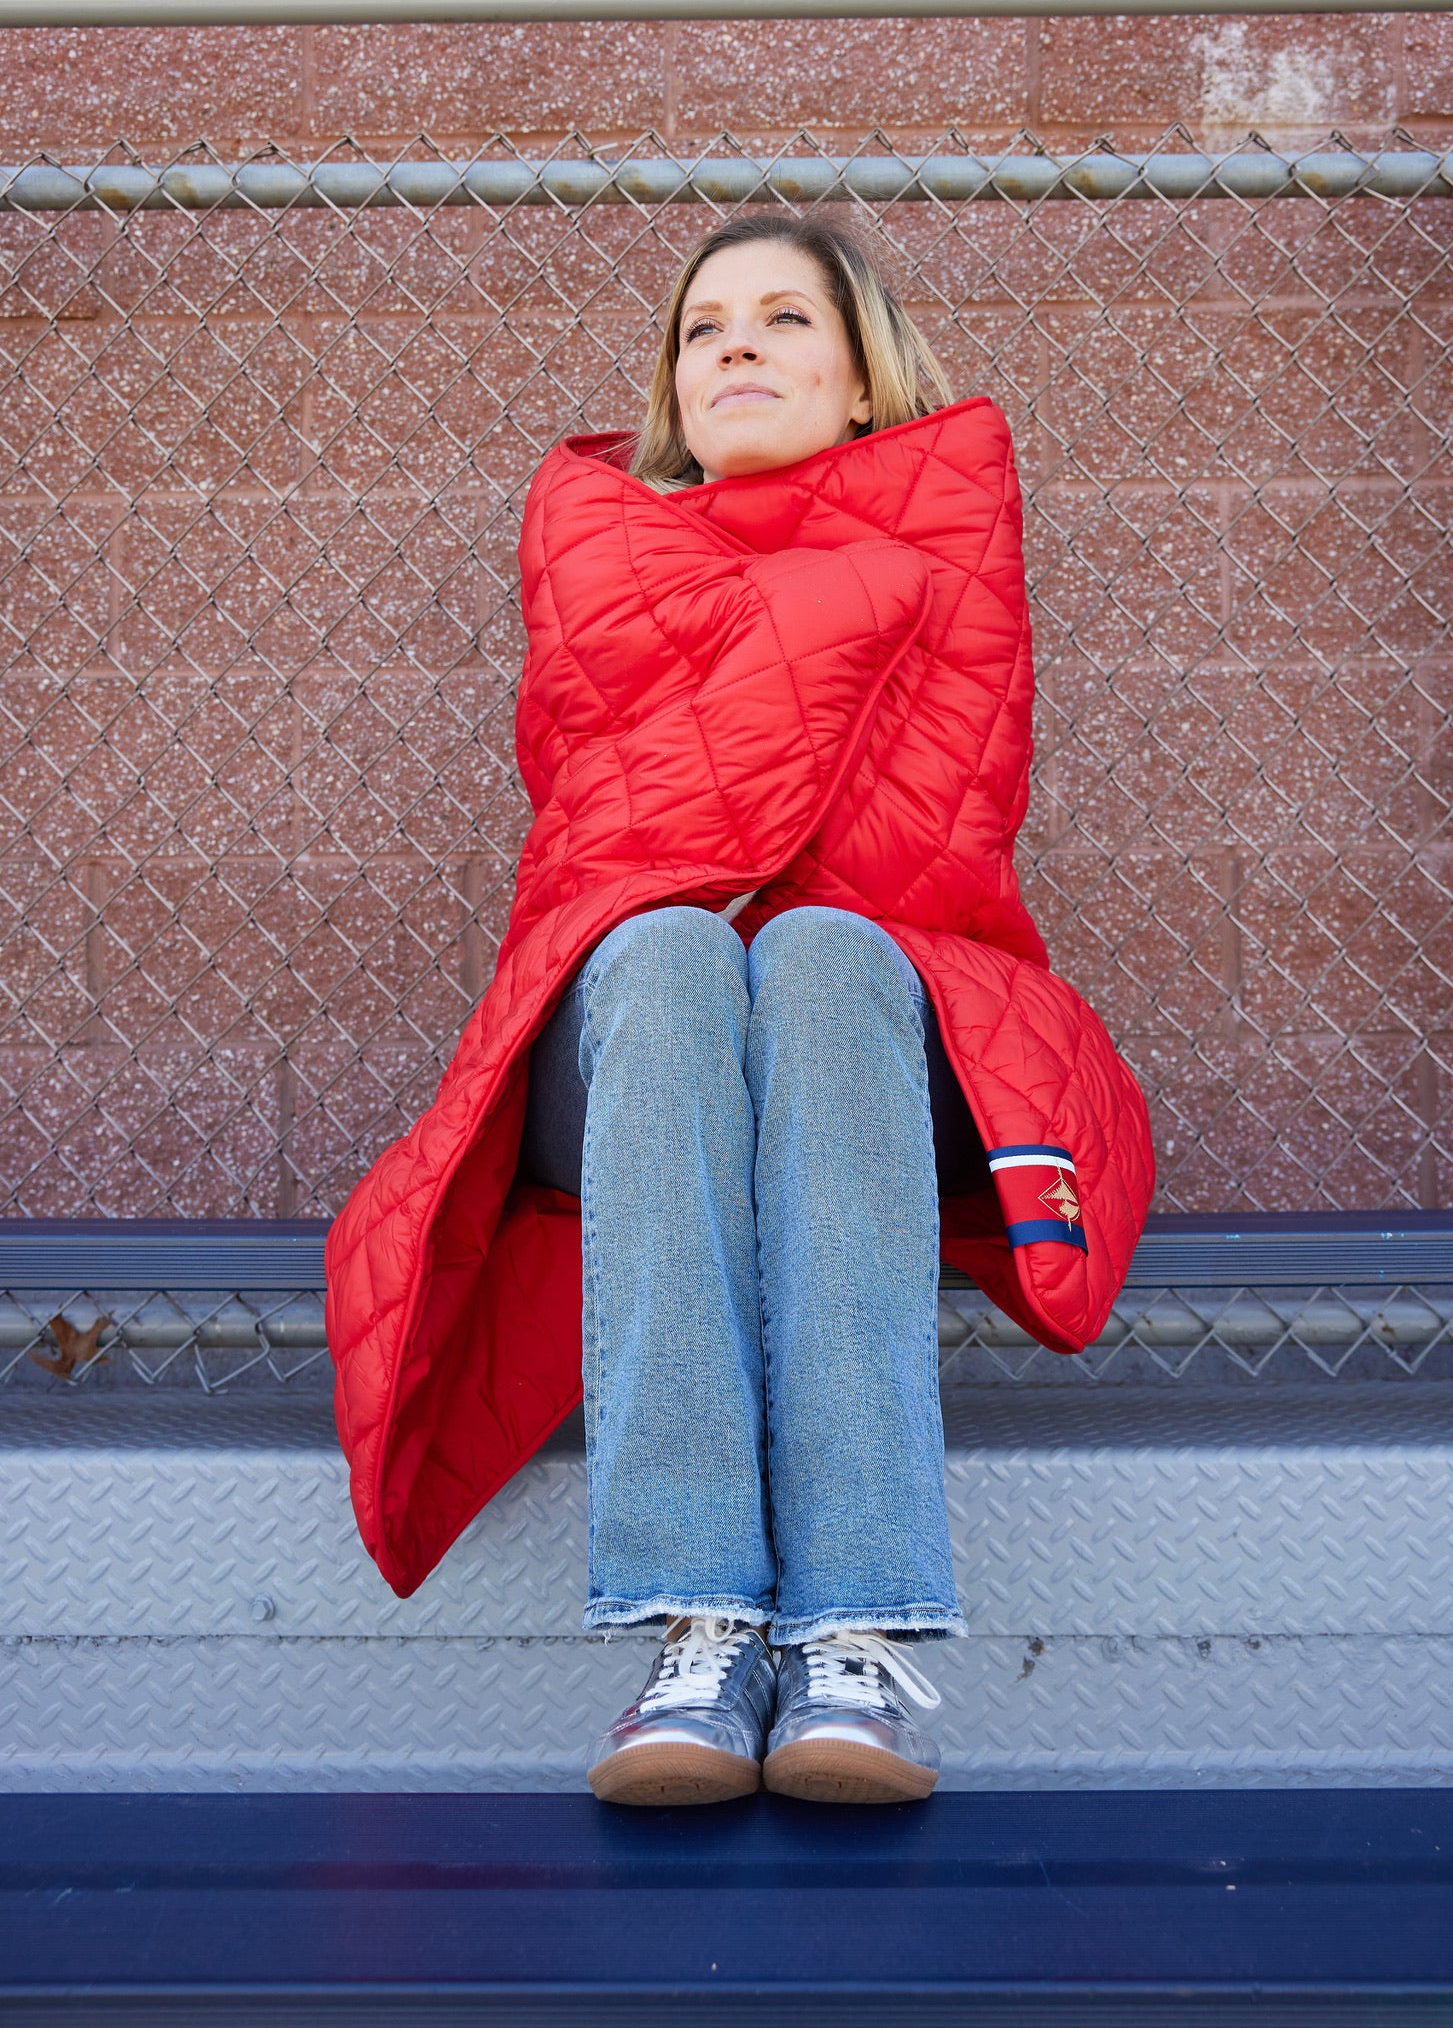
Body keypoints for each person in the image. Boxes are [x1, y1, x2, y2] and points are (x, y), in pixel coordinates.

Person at [324, 210, 1154, 1813]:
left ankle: (848, 1630)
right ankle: (693, 1620)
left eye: (786, 320)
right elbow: (606, 841)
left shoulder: (949, 535)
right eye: (705, 330)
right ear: (676, 389)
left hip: (871, 1010)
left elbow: (937, 851)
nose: (738, 348)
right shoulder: (596, 534)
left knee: (830, 952)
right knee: (674, 953)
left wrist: (840, 608)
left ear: (862, 384)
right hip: (628, 1022)